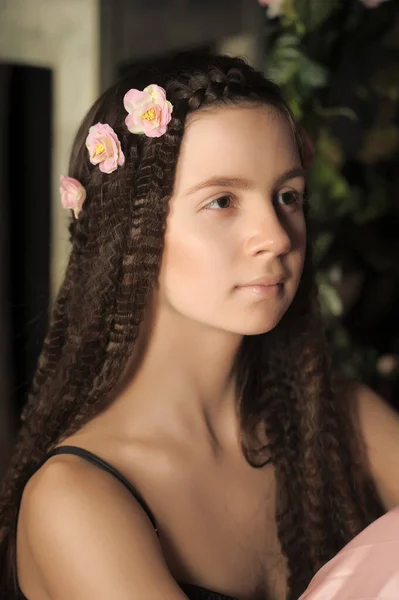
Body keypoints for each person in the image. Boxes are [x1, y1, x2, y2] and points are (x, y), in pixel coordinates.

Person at [0, 51, 398, 600]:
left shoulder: (339, 418)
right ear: (130, 231)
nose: (278, 237)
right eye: (222, 201)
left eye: (288, 196)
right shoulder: (76, 499)